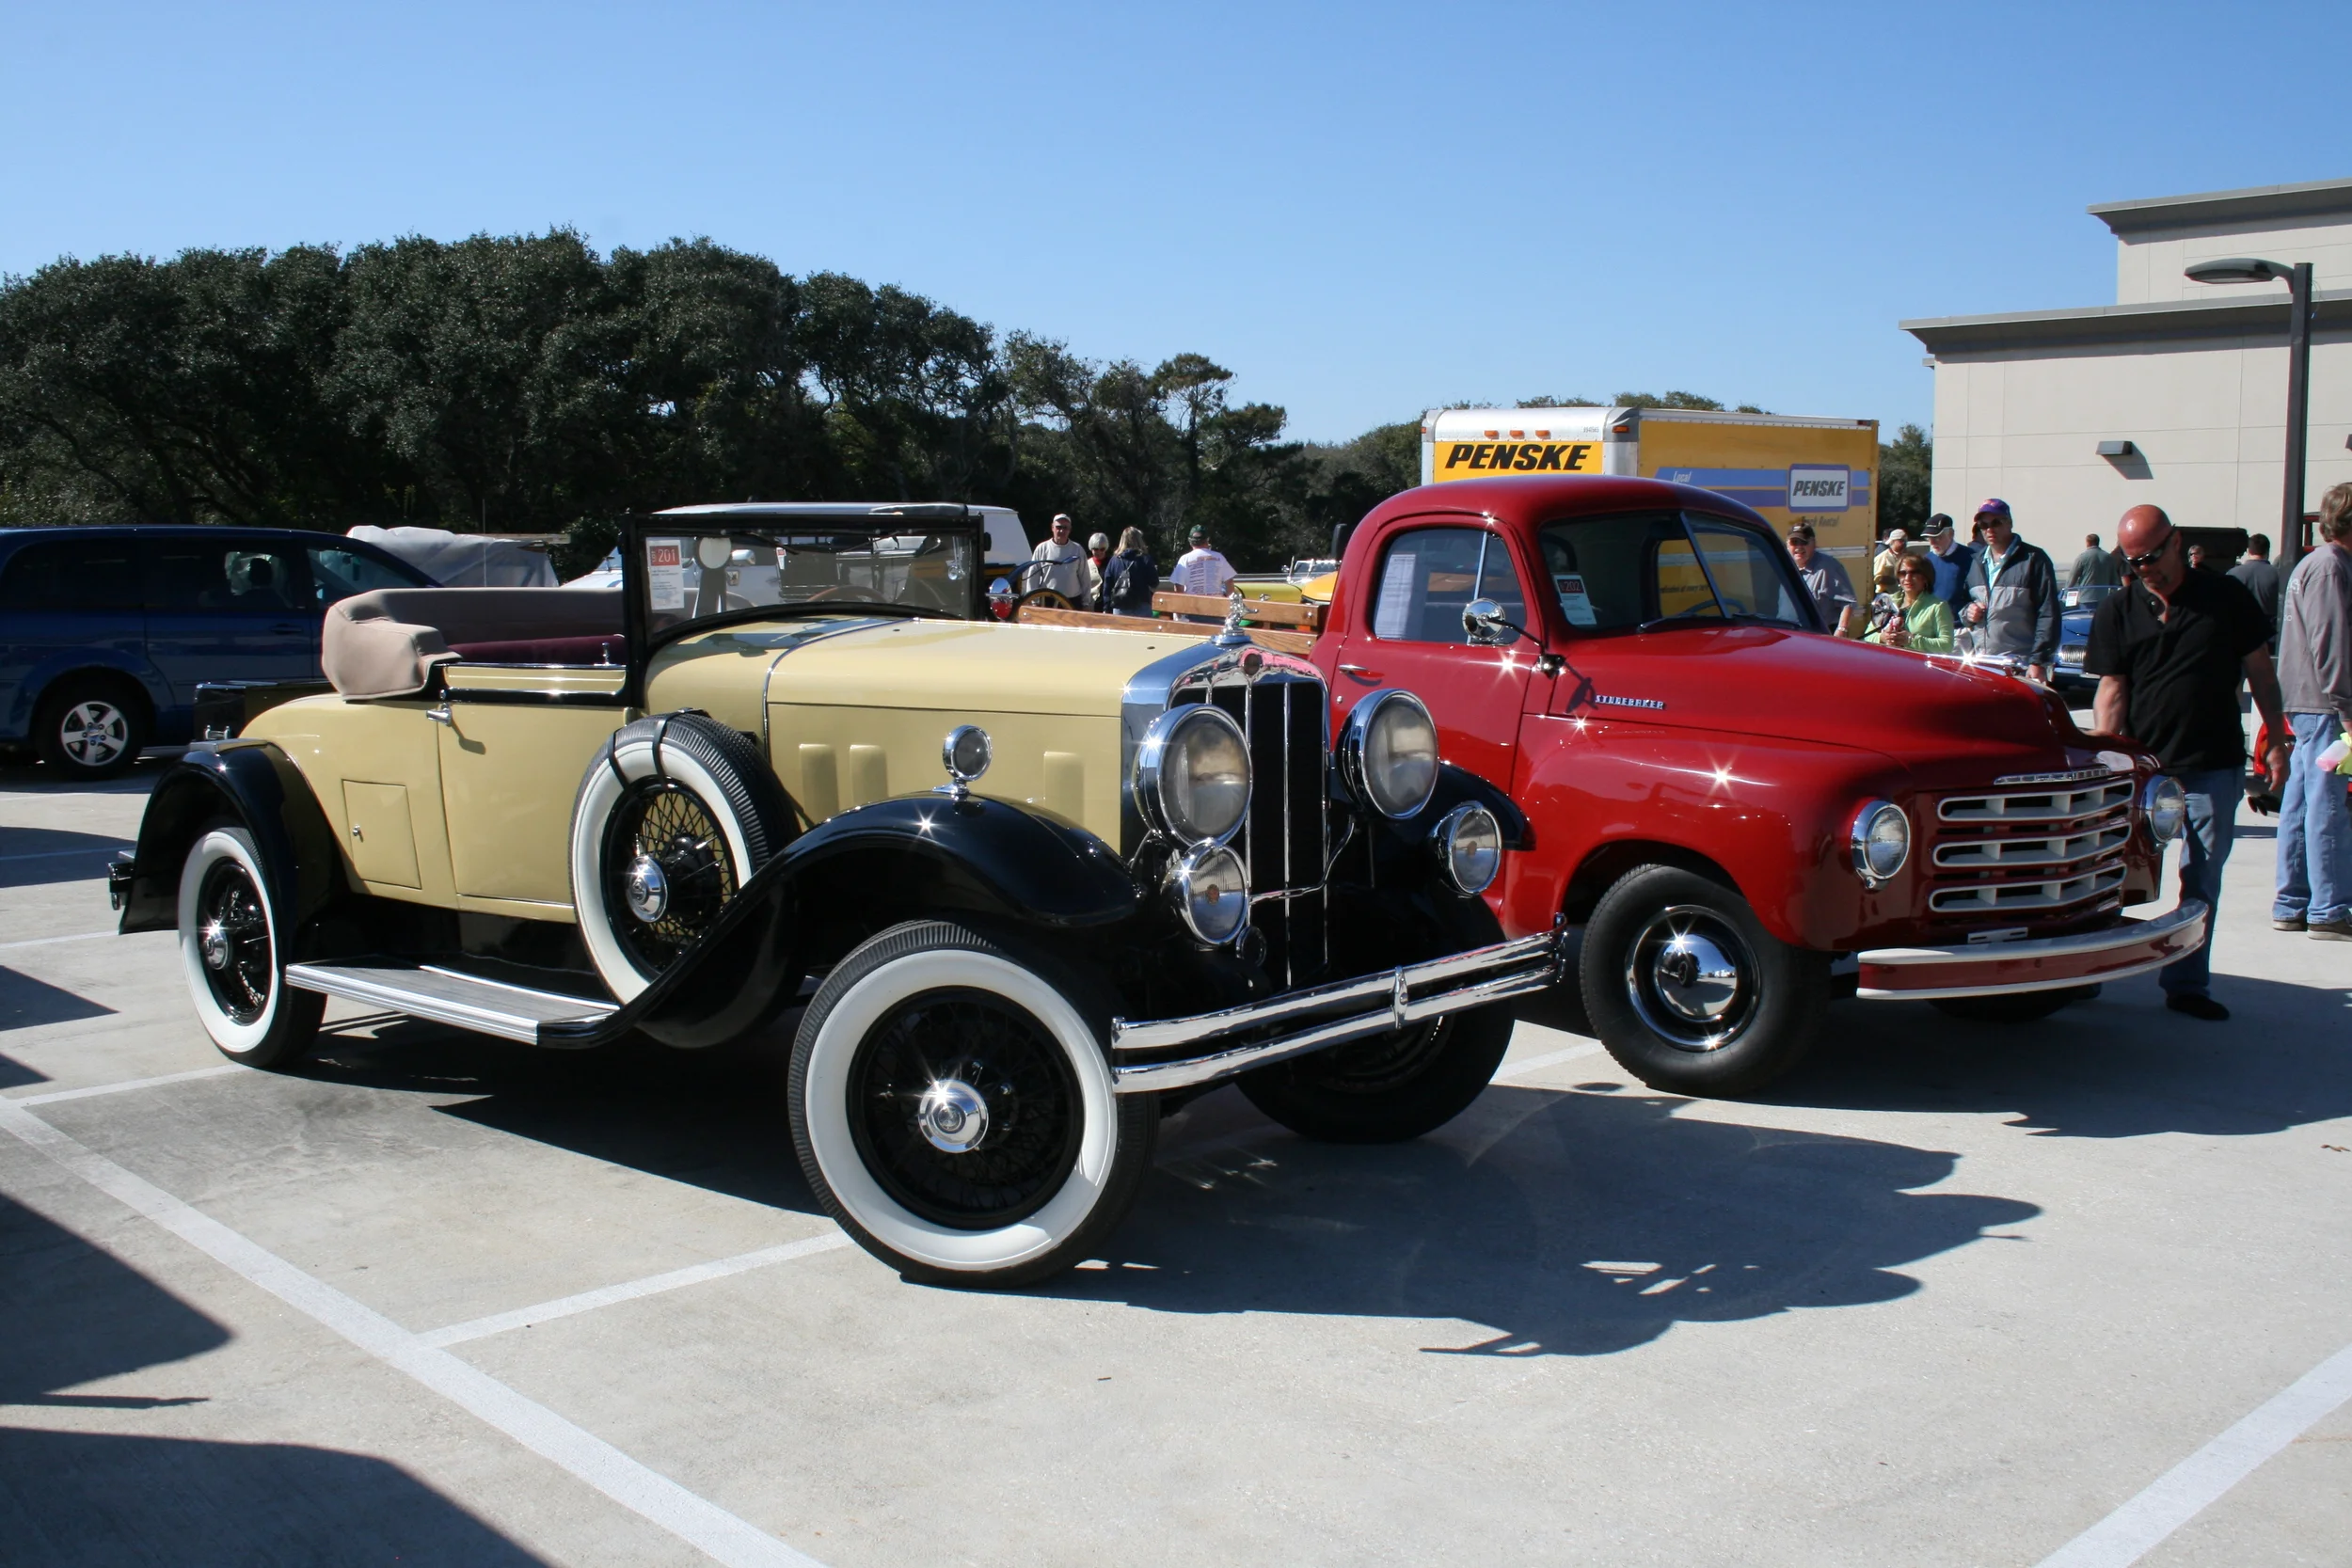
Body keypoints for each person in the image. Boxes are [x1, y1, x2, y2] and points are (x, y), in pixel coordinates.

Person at [2085, 504, 2288, 1020]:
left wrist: (2275, 740)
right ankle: (2087, 971)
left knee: (2202, 873)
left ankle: (2188, 983)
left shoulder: (2226, 597)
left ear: (2176, 543)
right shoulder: (2119, 609)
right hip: (2143, 768)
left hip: (2210, 761)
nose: (2143, 570)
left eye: (2150, 558)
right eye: (2132, 562)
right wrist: (2108, 759)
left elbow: (2261, 673)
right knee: (2107, 872)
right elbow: (2112, 689)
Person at [2273, 485, 2352, 942]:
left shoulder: (2317, 564)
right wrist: (2347, 708)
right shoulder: (2331, 567)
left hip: (2311, 701)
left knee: (2303, 801)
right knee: (2327, 805)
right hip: (2324, 704)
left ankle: (2295, 901)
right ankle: (2328, 908)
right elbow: (2331, 642)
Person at [1960, 499, 2061, 682]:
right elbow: (1962, 603)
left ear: (2010, 523)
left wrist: (2038, 662)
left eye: (1996, 523)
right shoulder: (1975, 562)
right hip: (1982, 664)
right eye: (1983, 525)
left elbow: (2048, 614)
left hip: (2021, 666)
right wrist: (1968, 612)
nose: (1989, 530)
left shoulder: (2034, 559)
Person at [1865, 554, 1955, 654]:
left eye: (1914, 573)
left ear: (1925, 577)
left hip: (1918, 662)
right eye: (1902, 573)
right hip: (1887, 661)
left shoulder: (1938, 606)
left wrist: (1911, 640)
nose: (1908, 578)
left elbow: (1947, 646)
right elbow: (1867, 637)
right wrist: (1882, 637)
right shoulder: (1887, 602)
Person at [1786, 522, 1859, 637]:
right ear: (1787, 545)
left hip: (1819, 636)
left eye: (1804, 542)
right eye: (1794, 542)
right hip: (1789, 634)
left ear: (1814, 544)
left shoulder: (1829, 567)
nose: (1799, 547)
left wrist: (1841, 630)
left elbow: (1848, 602)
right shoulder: (1782, 566)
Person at [2230, 532, 2281, 649]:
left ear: (2249, 551)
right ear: (2267, 551)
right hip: (2269, 634)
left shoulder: (2233, 574)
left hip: (2239, 632)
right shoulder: (2279, 574)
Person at [1099, 527, 1158, 617]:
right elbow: (1154, 583)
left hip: (1120, 607)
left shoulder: (1114, 560)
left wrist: (1106, 608)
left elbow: (1107, 586)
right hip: (1142, 606)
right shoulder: (1145, 559)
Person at [1027, 514, 1088, 599]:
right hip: (1048, 599)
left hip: (1072, 600)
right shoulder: (1042, 548)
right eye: (1058, 527)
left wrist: (1086, 602)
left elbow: (1085, 578)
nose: (1062, 531)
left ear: (1070, 529)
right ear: (1052, 528)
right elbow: (1033, 577)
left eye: (1065, 528)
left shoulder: (1078, 549)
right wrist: (1033, 600)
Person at [1924, 515, 1975, 616]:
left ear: (1951, 534)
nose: (1932, 542)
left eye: (1937, 537)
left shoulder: (1971, 557)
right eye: (1929, 538)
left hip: (1959, 622)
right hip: (1932, 621)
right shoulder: (1927, 559)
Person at [1170, 525, 1236, 599]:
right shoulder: (1219, 557)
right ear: (1207, 540)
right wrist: (1229, 601)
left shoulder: (1185, 559)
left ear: (1190, 541)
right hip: (1216, 603)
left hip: (1193, 604)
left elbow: (1178, 586)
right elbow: (1229, 582)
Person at [1871, 529, 1910, 594]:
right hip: (1886, 594)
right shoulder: (1883, 557)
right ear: (1893, 541)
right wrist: (1894, 579)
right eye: (1901, 541)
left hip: (1902, 593)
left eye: (1905, 541)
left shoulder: (1907, 556)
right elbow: (1876, 578)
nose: (1904, 543)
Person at [1082, 531, 1112, 606]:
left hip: (1108, 604)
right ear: (1091, 548)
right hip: (1090, 604)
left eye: (1102, 549)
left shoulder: (1112, 563)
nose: (1099, 552)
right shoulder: (1086, 564)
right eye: (1095, 549)